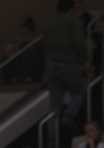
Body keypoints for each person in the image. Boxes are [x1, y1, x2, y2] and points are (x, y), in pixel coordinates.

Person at [43, 0, 89, 139]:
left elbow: (44, 45)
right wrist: (86, 59)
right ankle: (68, 116)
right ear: (71, 9)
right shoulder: (72, 22)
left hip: (51, 65)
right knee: (78, 93)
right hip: (68, 64)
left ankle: (52, 140)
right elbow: (79, 41)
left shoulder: (49, 24)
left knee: (55, 105)